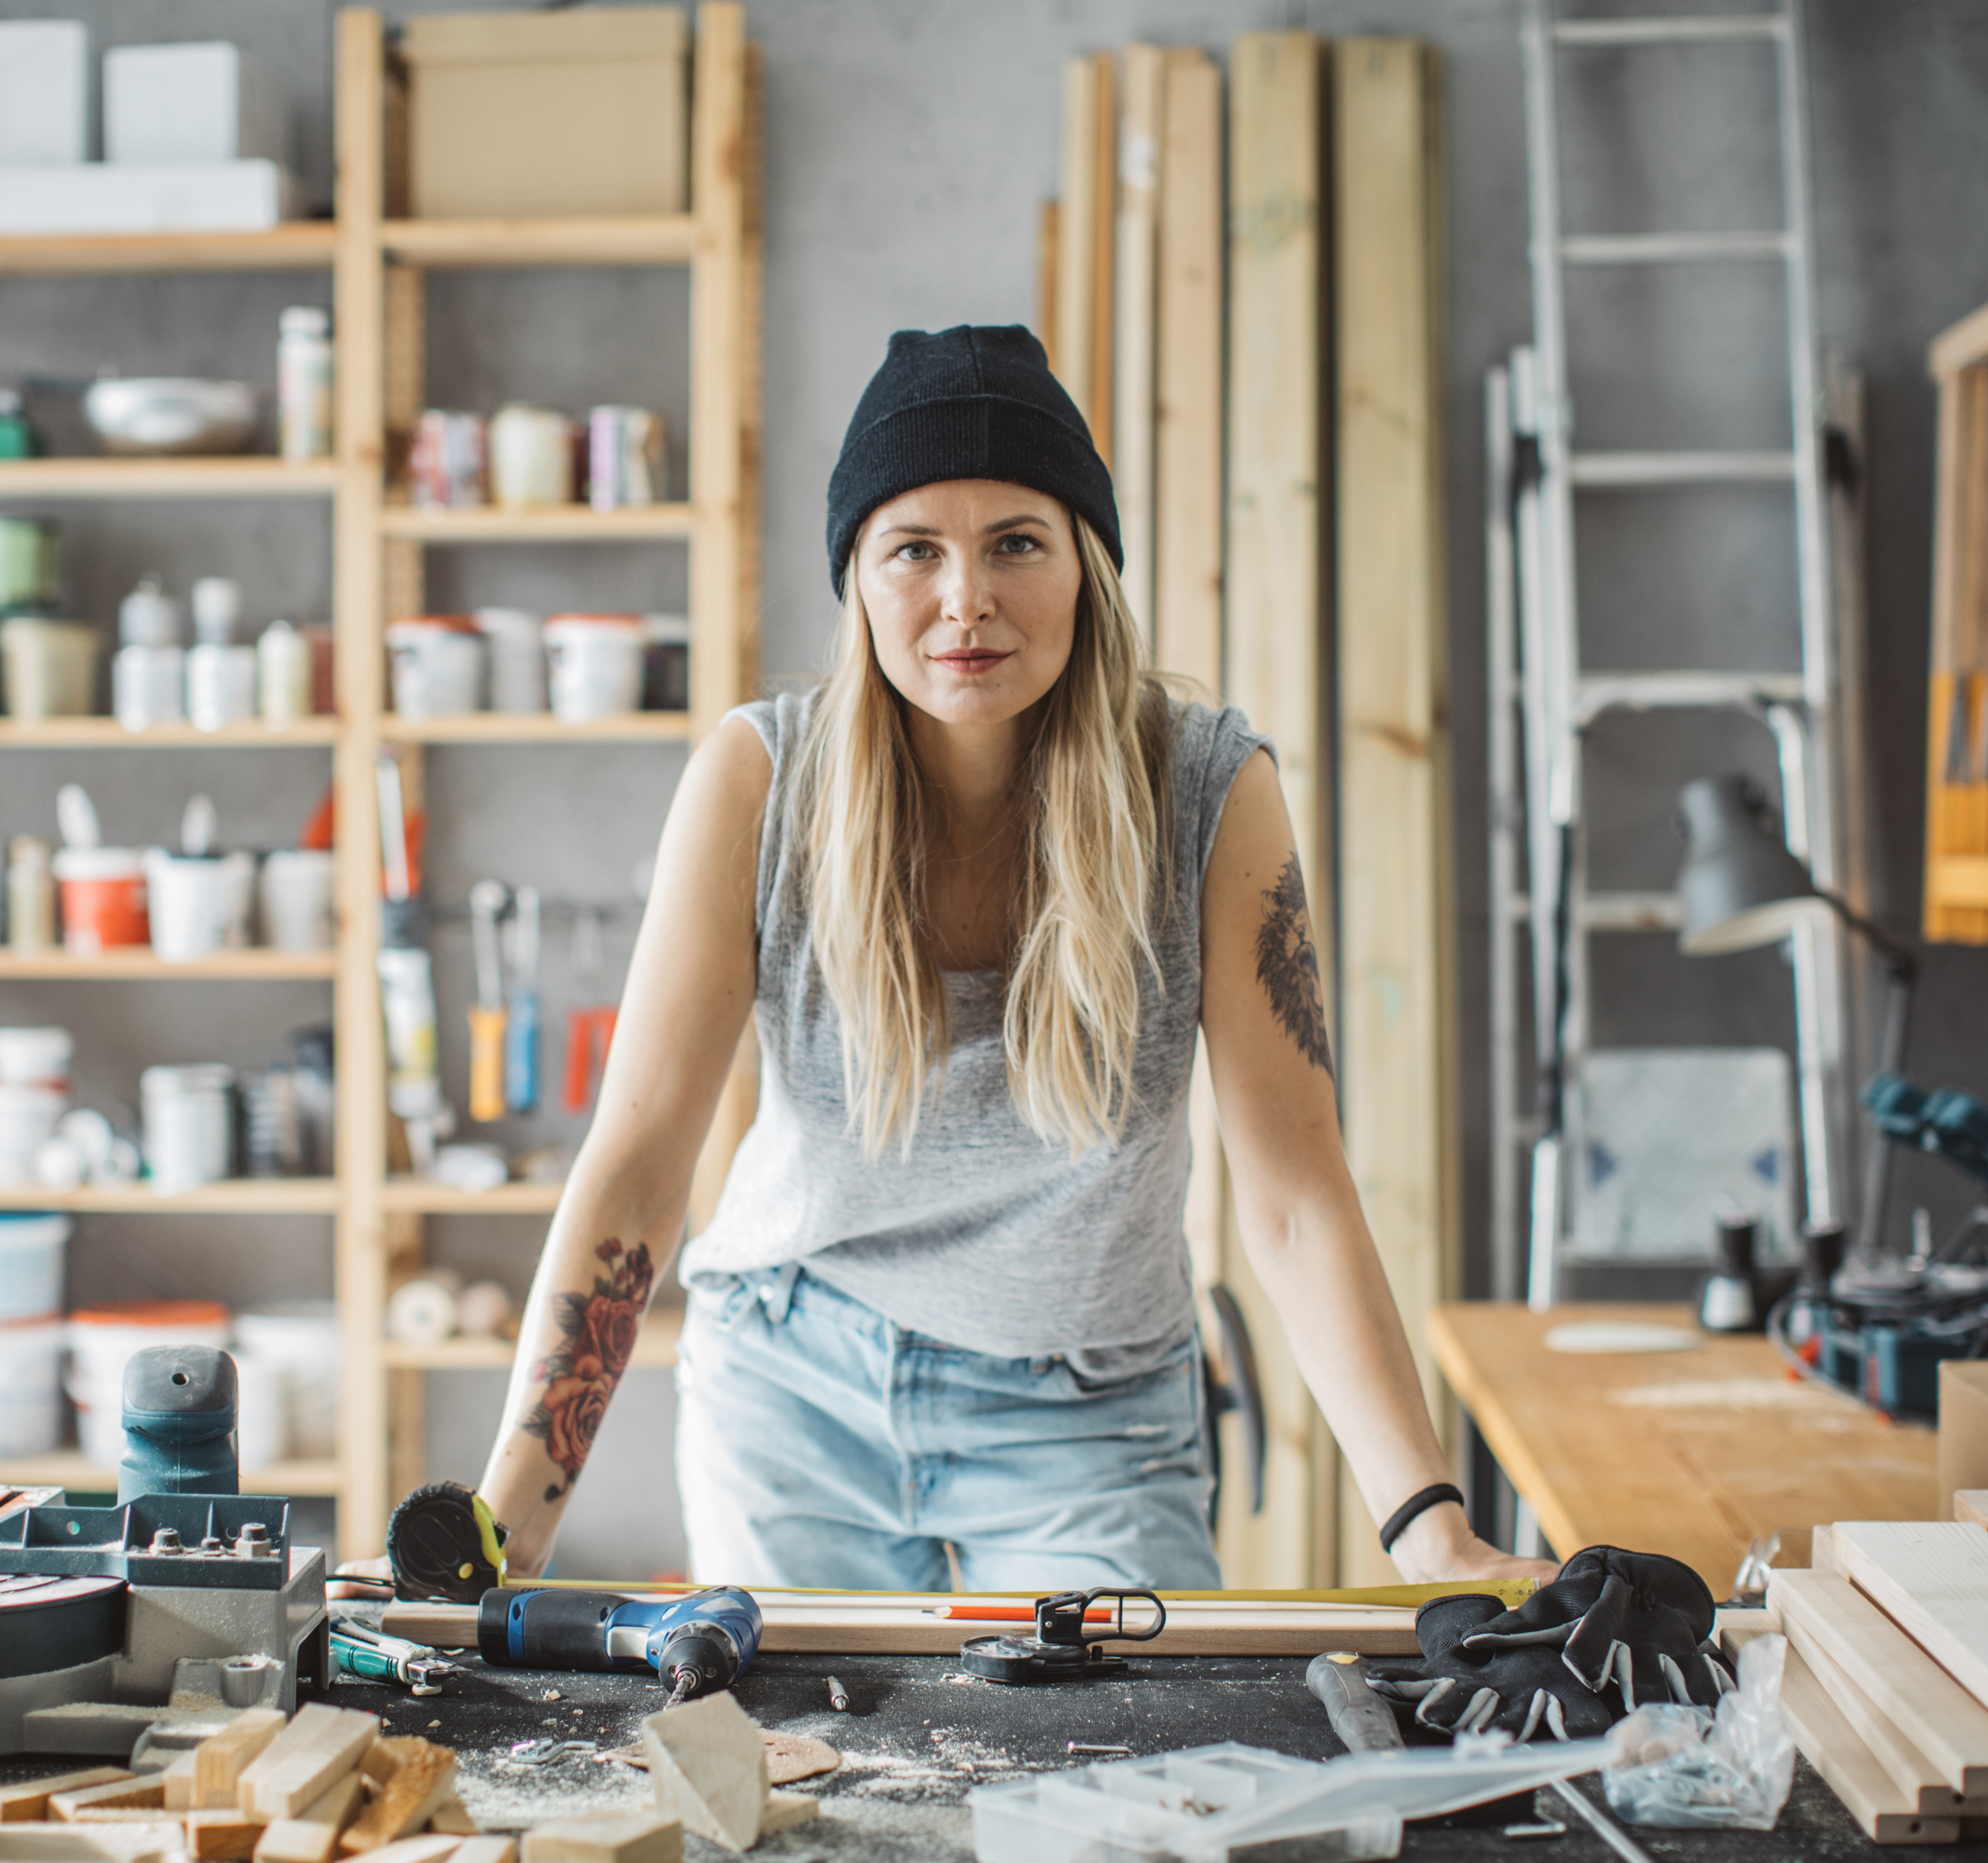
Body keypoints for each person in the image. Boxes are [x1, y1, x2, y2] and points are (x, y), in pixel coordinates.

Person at [471, 325, 1553, 1592]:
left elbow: (1295, 1190)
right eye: (915, 549)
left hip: (1088, 1412)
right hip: (792, 1385)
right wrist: (501, 1527)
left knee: (1133, 1782)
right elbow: (642, 1167)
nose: (965, 600)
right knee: (814, 1779)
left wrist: (1432, 1527)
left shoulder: (1209, 791)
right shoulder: (759, 783)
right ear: (859, 578)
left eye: (1016, 545)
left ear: (1087, 567)